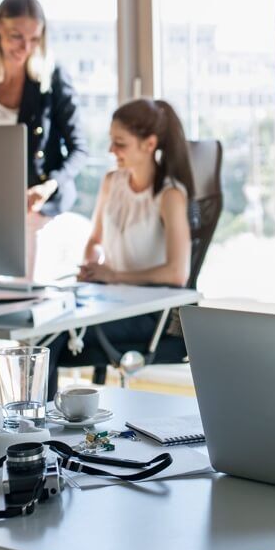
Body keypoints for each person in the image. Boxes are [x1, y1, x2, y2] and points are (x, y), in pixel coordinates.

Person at [45, 98, 195, 399]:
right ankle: (34, 427)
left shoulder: (169, 196)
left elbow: (178, 273)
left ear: (149, 144)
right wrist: (91, 267)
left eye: (120, 143)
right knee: (42, 326)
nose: (111, 151)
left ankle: (36, 430)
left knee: (49, 340)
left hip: (151, 313)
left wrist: (115, 276)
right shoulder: (111, 182)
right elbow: (95, 240)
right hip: (109, 301)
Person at [0, 0, 86, 277]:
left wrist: (49, 186)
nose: (25, 47)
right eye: (16, 36)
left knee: (25, 285)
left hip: (39, 199)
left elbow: (79, 149)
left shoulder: (52, 78)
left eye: (34, 39)